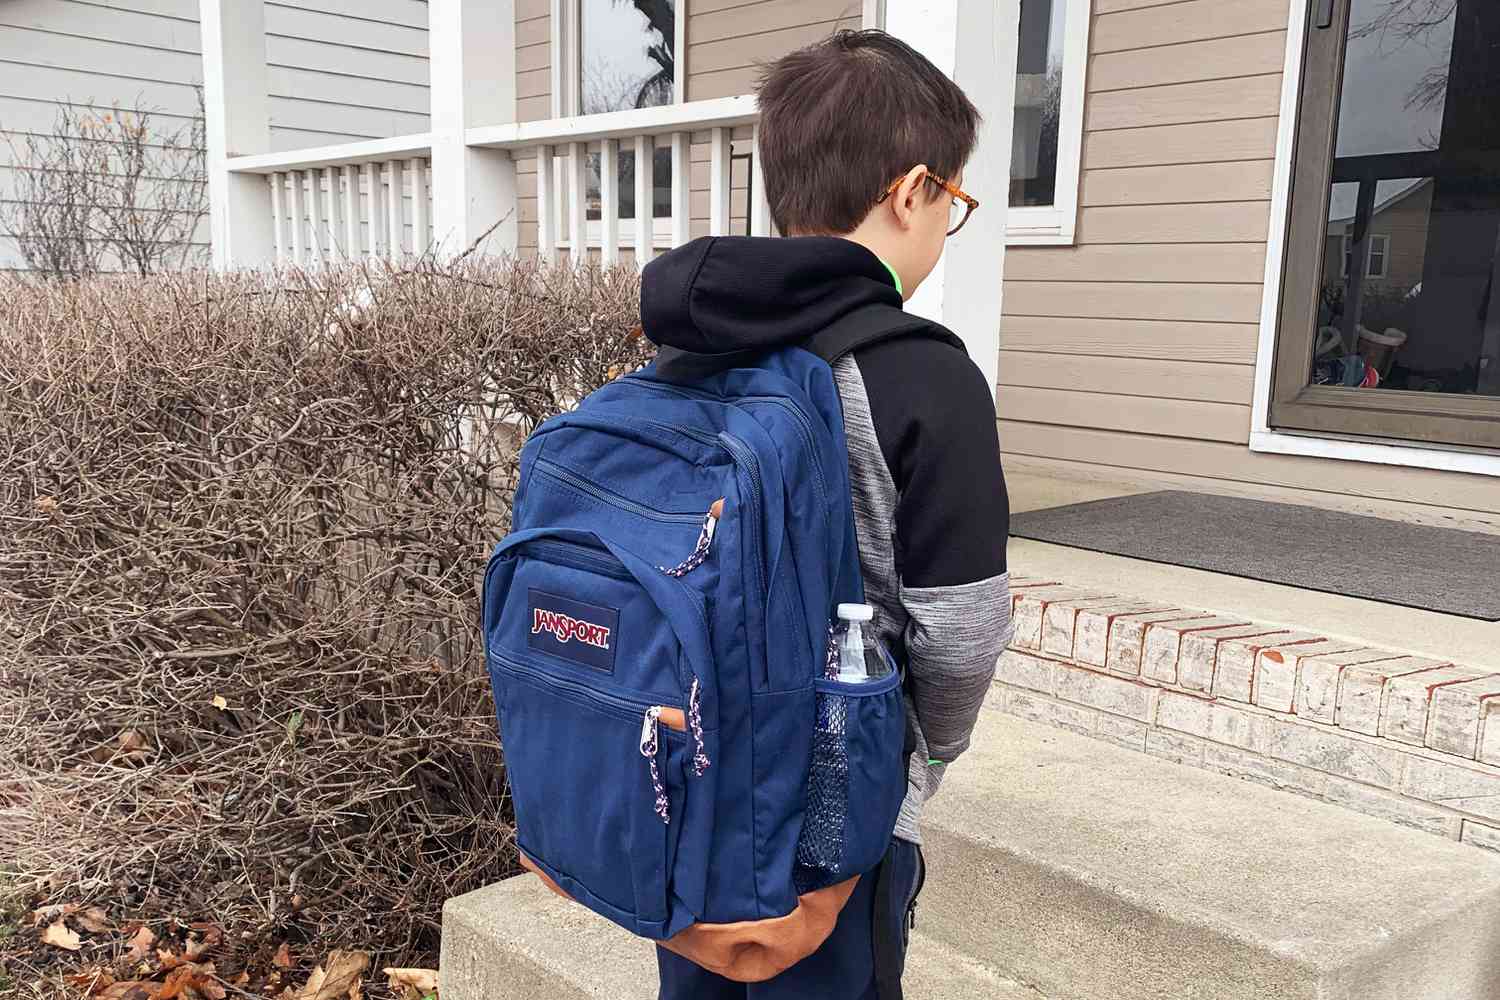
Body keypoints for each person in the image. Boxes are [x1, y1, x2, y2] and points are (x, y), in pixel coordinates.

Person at [638, 28, 1012, 1000]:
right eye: (954, 202)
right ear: (909, 189)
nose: (945, 224)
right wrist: (915, 764)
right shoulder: (927, 374)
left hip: (690, 779)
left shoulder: (690, 355)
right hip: (837, 815)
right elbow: (961, 634)